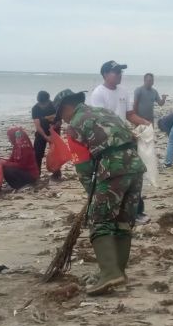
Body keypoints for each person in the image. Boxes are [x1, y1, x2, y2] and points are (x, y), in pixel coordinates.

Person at [53, 89, 146, 294]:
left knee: (99, 219)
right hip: (136, 167)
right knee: (122, 220)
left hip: (112, 169)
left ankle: (110, 273)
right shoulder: (106, 113)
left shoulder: (75, 125)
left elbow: (84, 167)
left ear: (66, 108)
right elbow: (131, 136)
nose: (64, 120)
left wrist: (92, 193)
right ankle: (117, 271)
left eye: (61, 115)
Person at [90, 61, 150, 223]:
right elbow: (101, 122)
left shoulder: (123, 91)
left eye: (120, 72)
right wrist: (125, 132)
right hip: (110, 145)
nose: (119, 75)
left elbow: (130, 114)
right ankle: (111, 212)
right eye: (115, 72)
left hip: (127, 141)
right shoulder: (98, 93)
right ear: (105, 75)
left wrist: (144, 123)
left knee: (136, 174)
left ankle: (136, 211)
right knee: (115, 178)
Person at [31, 91, 59, 179]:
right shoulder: (35, 108)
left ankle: (57, 172)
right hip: (41, 132)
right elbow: (38, 126)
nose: (42, 105)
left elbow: (59, 121)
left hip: (54, 131)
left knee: (56, 153)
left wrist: (55, 126)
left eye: (44, 104)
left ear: (48, 100)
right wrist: (46, 137)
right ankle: (37, 173)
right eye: (40, 104)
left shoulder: (54, 106)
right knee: (37, 153)